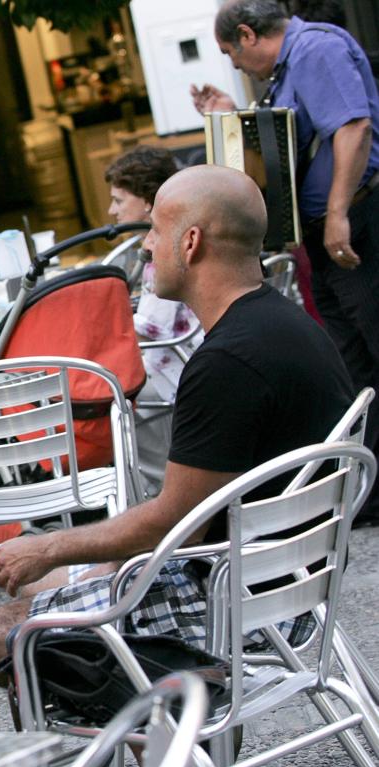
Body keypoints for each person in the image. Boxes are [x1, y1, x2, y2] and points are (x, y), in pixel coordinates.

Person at [0, 166, 354, 682]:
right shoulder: (290, 325)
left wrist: (47, 544)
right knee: (52, 583)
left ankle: (175, 745)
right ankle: (176, 727)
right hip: (296, 580)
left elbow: (176, 525)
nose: (146, 246)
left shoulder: (225, 363)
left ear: (191, 242)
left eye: (154, 230)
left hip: (237, 603)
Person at [190, 0, 379, 516]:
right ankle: (369, 493)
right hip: (324, 229)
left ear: (248, 34)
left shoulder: (316, 48)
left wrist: (338, 211)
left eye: (232, 54)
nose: (235, 65)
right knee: (354, 359)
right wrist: (229, 114)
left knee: (370, 347)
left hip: (357, 219)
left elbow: (353, 128)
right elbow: (285, 143)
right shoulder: (290, 67)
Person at [104, 147, 203, 491]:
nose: (111, 210)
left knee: (102, 396)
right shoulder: (182, 232)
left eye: (118, 200)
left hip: (174, 369)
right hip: (188, 356)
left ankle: (159, 493)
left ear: (148, 201)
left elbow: (148, 334)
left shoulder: (162, 251)